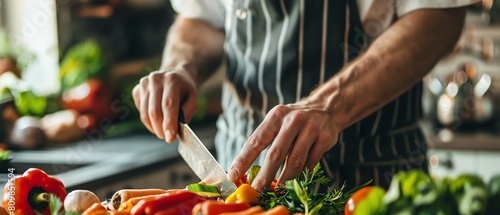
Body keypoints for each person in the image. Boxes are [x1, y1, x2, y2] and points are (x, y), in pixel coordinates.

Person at [133, 0, 478, 191]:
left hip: (372, 182)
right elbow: (201, 18)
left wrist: (329, 106)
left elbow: (440, 15)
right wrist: (182, 67)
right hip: (238, 181)